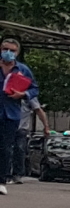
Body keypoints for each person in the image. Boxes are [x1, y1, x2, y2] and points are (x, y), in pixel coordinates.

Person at [0, 37, 39, 193]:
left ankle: (2, 180)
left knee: (5, 148)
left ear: (17, 53)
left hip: (10, 114)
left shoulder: (23, 70)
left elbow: (34, 89)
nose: (8, 53)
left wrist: (23, 94)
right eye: (5, 49)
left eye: (12, 50)